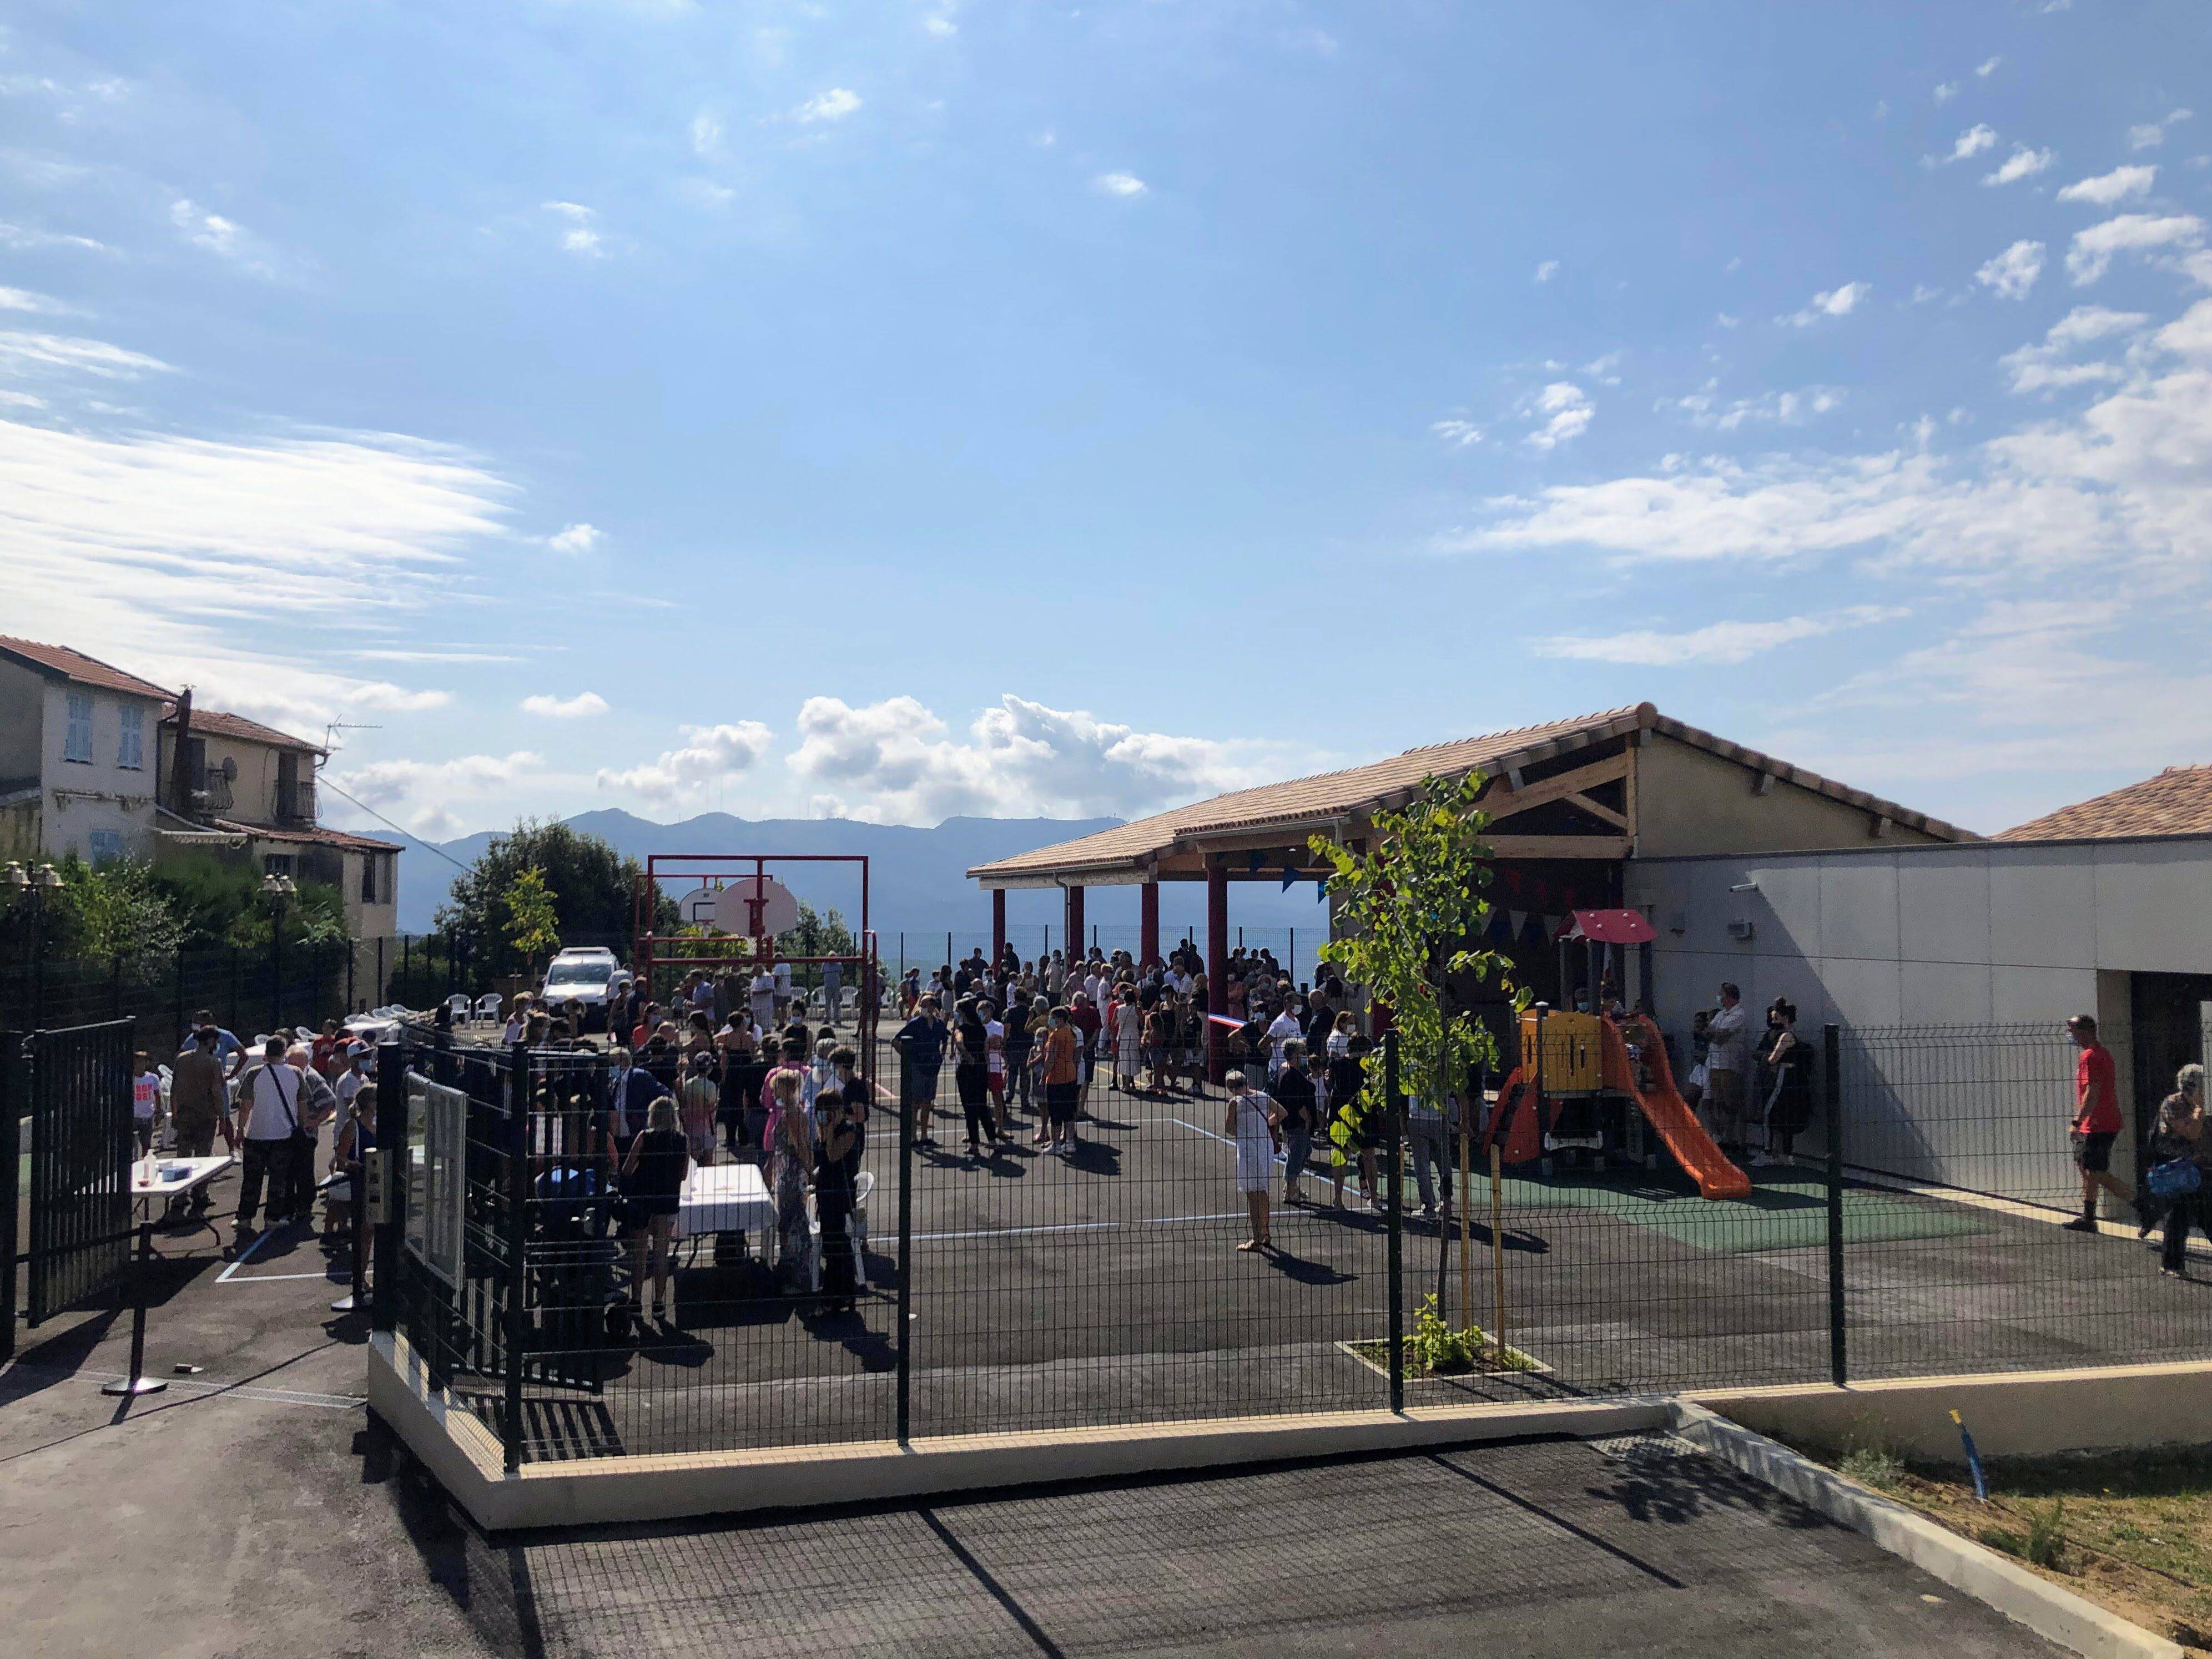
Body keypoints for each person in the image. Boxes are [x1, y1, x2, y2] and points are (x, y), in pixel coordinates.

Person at [2063, 1013, 2136, 1232]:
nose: (2070, 1035)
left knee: (2096, 1172)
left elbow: (2092, 1092)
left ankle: (2141, 1205)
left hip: (2099, 1123)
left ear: (2084, 1032)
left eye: (2073, 1031)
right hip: (2100, 1122)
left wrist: (2078, 1121)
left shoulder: (2091, 1056)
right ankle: (2088, 1217)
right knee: (2088, 1169)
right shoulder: (2099, 1054)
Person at [621, 1095, 691, 1320]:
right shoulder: (682, 1140)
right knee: (662, 1255)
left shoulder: (644, 1137)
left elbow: (628, 1168)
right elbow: (683, 1175)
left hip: (642, 1200)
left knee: (639, 1254)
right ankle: (659, 1303)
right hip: (667, 1200)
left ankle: (636, 1300)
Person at [233, 1036, 308, 1241]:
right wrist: (302, 1127)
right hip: (283, 1135)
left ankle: (245, 1217)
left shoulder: (254, 1073)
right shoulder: (296, 1073)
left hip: (256, 1134)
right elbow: (302, 1105)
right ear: (284, 1052)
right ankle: (272, 1217)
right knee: (278, 1179)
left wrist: (240, 1131)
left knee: (251, 1179)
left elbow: (245, 1105)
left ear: (267, 1052)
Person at [2149, 1065, 2210, 1279]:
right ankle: (2171, 1264)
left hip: (2201, 1166)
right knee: (2180, 1214)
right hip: (2179, 1169)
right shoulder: (2173, 1104)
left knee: (2205, 1213)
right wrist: (2199, 1110)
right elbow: (2192, 1133)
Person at [167, 1027, 235, 1217]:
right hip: (205, 1115)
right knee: (203, 1157)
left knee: (183, 1156)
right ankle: (200, 1194)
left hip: (185, 1114)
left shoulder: (182, 1060)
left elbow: (174, 1089)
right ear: (211, 1041)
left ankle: (180, 1195)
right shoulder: (213, 1062)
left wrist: (175, 1113)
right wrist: (222, 1118)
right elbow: (216, 1092)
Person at [767, 1070, 814, 1292]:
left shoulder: (794, 1114)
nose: (774, 1092)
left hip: (792, 1176)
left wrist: (809, 1171)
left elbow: (801, 1146)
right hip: (785, 1173)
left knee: (794, 1222)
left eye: (776, 1088)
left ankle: (799, 1273)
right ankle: (790, 1267)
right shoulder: (790, 1112)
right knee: (787, 1222)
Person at [814, 1090, 860, 1312]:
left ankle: (843, 1291)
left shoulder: (849, 1130)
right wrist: (822, 1131)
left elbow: (833, 1155)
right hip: (825, 1189)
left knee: (838, 1240)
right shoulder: (824, 1130)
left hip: (841, 1191)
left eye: (828, 1113)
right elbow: (820, 1156)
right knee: (829, 1240)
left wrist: (830, 1130)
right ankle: (834, 1292)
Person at [1225, 1071, 1279, 1252]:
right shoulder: (1264, 1096)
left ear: (1232, 1088)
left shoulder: (1235, 1102)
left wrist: (1245, 1130)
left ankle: (1256, 1238)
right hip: (1265, 1148)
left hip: (1249, 1150)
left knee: (1252, 1195)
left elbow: (1230, 1128)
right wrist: (1265, 1124)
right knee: (1263, 1193)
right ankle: (1266, 1233)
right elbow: (1282, 1113)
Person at [1757, 1001, 1815, 1165]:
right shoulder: (1785, 1035)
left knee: (1769, 1113)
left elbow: (1773, 1058)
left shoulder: (1786, 1036)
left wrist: (1766, 1057)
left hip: (1784, 1078)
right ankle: (1784, 1155)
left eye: (1776, 1018)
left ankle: (1768, 1152)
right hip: (1788, 1080)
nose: (1773, 1022)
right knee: (1783, 1115)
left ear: (1785, 1018)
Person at [1703, 984, 1751, 1154]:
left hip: (1729, 1065)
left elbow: (1720, 1038)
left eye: (1721, 994)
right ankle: (1722, 1140)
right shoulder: (1722, 1014)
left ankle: (1736, 1141)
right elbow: (1708, 1031)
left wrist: (1714, 1034)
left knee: (1733, 1104)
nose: (1719, 998)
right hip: (1715, 1063)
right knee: (1719, 1103)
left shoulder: (1739, 1014)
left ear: (1729, 997)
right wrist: (1713, 1033)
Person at [1269, 1040, 1318, 1206]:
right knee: (1296, 1154)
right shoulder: (1289, 1074)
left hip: (1292, 1121)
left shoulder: (1286, 1070)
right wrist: (1305, 1116)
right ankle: (1290, 1190)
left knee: (1305, 1150)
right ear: (1294, 1054)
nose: (1305, 1055)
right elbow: (1293, 1100)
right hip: (1296, 1122)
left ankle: (1291, 1185)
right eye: (1302, 1052)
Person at [953, 998, 1000, 1155]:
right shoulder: (981, 1029)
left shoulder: (961, 1030)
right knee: (982, 1105)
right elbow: (986, 1049)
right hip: (981, 1068)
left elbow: (959, 1043)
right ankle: (992, 1140)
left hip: (967, 1069)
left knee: (969, 1106)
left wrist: (967, 1056)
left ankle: (974, 1143)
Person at [1406, 1080, 1454, 1223]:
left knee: (1422, 1166)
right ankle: (1446, 1202)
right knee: (1443, 1163)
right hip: (1439, 1117)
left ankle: (1428, 1207)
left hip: (1418, 1116)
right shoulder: (1441, 1062)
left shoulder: (1410, 1062)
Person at [1038, 1004, 1081, 1156]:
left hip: (1057, 1077)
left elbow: (1050, 1058)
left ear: (1060, 1020)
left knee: (1055, 1112)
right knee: (1069, 1111)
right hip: (1070, 1074)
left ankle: (1056, 1144)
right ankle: (1070, 1142)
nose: (1051, 1020)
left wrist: (1043, 1077)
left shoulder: (1055, 1035)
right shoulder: (1072, 1033)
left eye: (1053, 1018)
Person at [678, 1050, 720, 1164]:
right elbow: (712, 1106)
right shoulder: (711, 1086)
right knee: (708, 1157)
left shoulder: (689, 1084)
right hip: (708, 1126)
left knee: (694, 1157)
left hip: (692, 1125)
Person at [132, 1052, 159, 1158]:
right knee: (133, 1144)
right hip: (134, 1115)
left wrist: (158, 1110)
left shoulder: (153, 1078)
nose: (140, 1065)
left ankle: (145, 1163)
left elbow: (157, 1095)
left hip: (148, 1115)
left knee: (146, 1144)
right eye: (137, 1063)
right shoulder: (132, 1079)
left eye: (142, 1062)